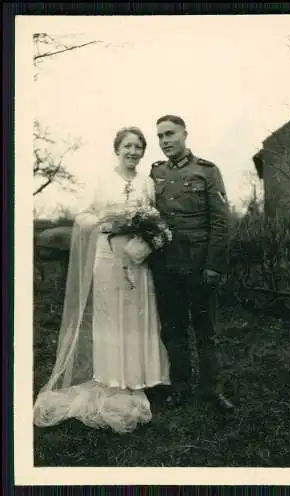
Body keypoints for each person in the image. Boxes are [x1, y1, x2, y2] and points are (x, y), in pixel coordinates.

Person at [33, 126, 171, 434]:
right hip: (108, 258)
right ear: (117, 149)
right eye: (127, 146)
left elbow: (155, 218)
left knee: (138, 317)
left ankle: (139, 379)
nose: (133, 152)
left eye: (138, 147)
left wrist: (148, 236)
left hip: (138, 259)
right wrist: (105, 221)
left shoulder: (146, 182)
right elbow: (82, 215)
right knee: (111, 319)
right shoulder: (102, 179)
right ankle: (113, 379)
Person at [149, 115, 234, 411]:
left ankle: (212, 390)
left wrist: (214, 265)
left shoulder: (207, 171)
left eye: (170, 134)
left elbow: (221, 222)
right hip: (165, 267)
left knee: (205, 330)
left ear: (185, 134)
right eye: (160, 136)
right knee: (173, 330)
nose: (165, 141)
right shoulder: (155, 173)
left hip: (199, 266)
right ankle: (180, 387)